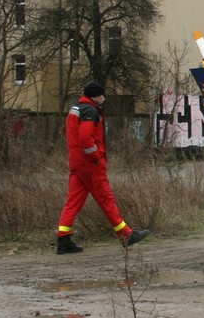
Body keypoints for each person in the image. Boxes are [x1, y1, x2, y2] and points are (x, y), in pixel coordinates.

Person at [55, 82, 149, 254]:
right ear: (95, 96)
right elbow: (85, 139)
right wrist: (96, 157)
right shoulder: (90, 112)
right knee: (106, 199)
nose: (104, 98)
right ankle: (126, 235)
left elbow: (70, 135)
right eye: (102, 95)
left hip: (76, 163)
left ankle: (63, 239)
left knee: (73, 201)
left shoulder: (75, 109)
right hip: (90, 165)